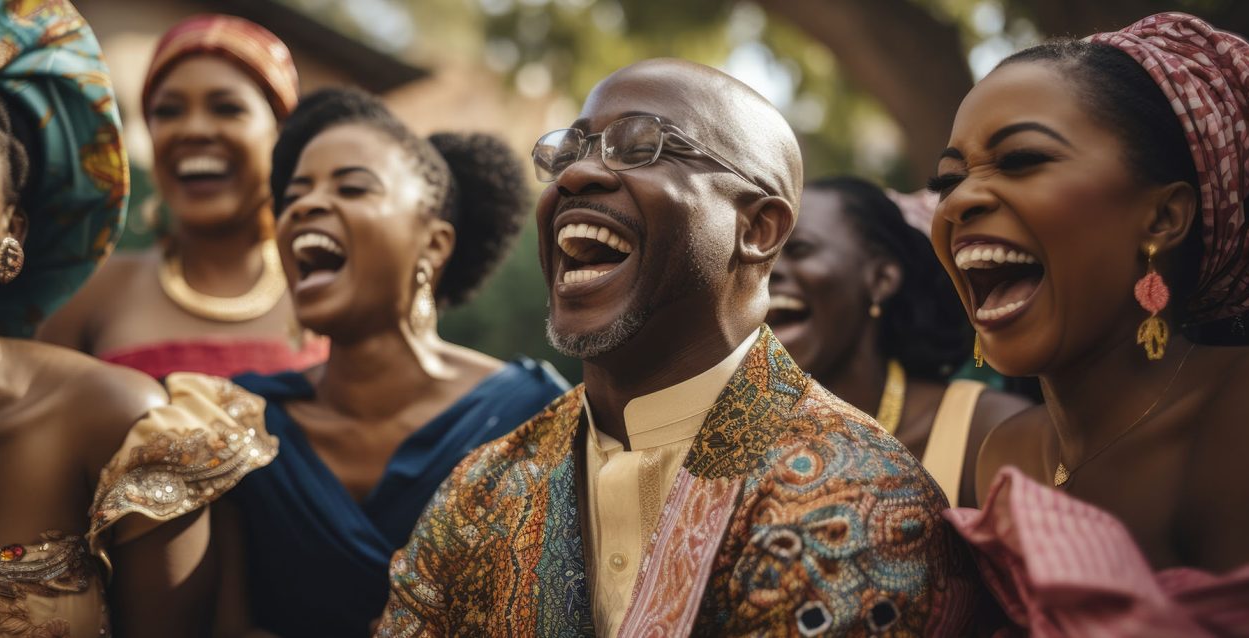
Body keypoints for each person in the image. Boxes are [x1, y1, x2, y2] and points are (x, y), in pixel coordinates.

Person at [378, 58, 979, 636]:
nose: (575, 176)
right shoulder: (480, 490)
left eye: (642, 145)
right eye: (569, 151)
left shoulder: (862, 499)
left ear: (757, 229)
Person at [0, 1, 275, 636]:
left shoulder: (118, 425)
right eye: (167, 110)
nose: (195, 129)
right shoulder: (105, 293)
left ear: (13, 228)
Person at [930, 13, 1249, 634]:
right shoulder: (1005, 453)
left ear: (1163, 218)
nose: (959, 200)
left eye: (1021, 159)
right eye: (947, 180)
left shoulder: (1243, 414)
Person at [211, 88, 568, 636]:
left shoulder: (536, 418)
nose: (303, 206)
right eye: (294, 195)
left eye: (352, 187)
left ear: (434, 245)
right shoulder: (238, 422)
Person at [39, 14, 327, 379]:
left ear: (281, 136)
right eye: (168, 111)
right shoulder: (93, 294)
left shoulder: (328, 289)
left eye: (227, 108)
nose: (193, 129)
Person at [768, 176, 1030, 507]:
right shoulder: (729, 437)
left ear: (881, 279)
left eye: (799, 248)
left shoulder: (990, 432)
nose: (767, 270)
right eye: (763, 252)